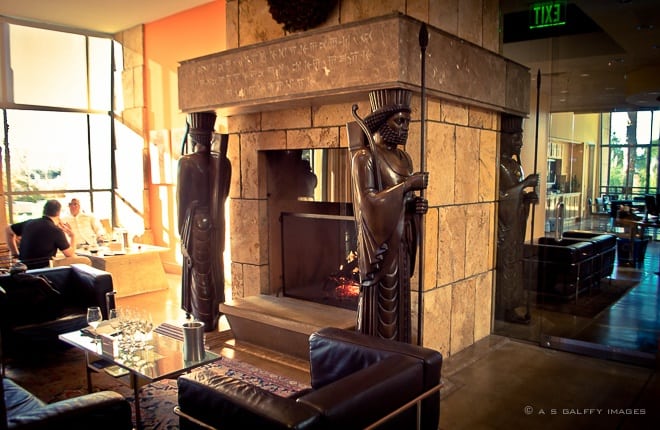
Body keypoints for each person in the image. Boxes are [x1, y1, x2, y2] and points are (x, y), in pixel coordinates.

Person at [348, 88, 429, 343]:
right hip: (381, 248)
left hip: (401, 241)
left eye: (408, 122)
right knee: (383, 305)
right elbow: (368, 204)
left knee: (401, 301)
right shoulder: (365, 158)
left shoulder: (405, 158)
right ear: (383, 121)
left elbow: (404, 202)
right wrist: (407, 185)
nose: (405, 128)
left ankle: (401, 351)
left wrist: (414, 207)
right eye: (399, 121)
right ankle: (380, 355)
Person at [177, 111, 231, 332]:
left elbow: (181, 201)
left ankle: (203, 318)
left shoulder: (186, 162)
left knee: (198, 270)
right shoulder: (223, 162)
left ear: (192, 137)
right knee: (213, 267)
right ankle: (212, 315)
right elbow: (223, 195)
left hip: (194, 223)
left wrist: (181, 234)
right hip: (216, 221)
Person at [495, 114, 539, 324]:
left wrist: (527, 198)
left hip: (515, 228)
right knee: (506, 266)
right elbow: (502, 197)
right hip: (505, 229)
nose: (520, 143)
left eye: (520, 138)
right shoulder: (500, 165)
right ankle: (502, 308)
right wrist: (525, 184)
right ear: (505, 138)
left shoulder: (514, 165)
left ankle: (511, 307)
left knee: (514, 265)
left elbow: (516, 197)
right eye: (516, 138)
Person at [5, 199, 78, 269]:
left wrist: (15, 254)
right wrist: (73, 236)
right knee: (78, 263)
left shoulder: (29, 223)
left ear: (44, 211)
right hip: (43, 270)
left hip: (24, 268)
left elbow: (8, 230)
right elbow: (70, 254)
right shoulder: (56, 230)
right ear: (59, 213)